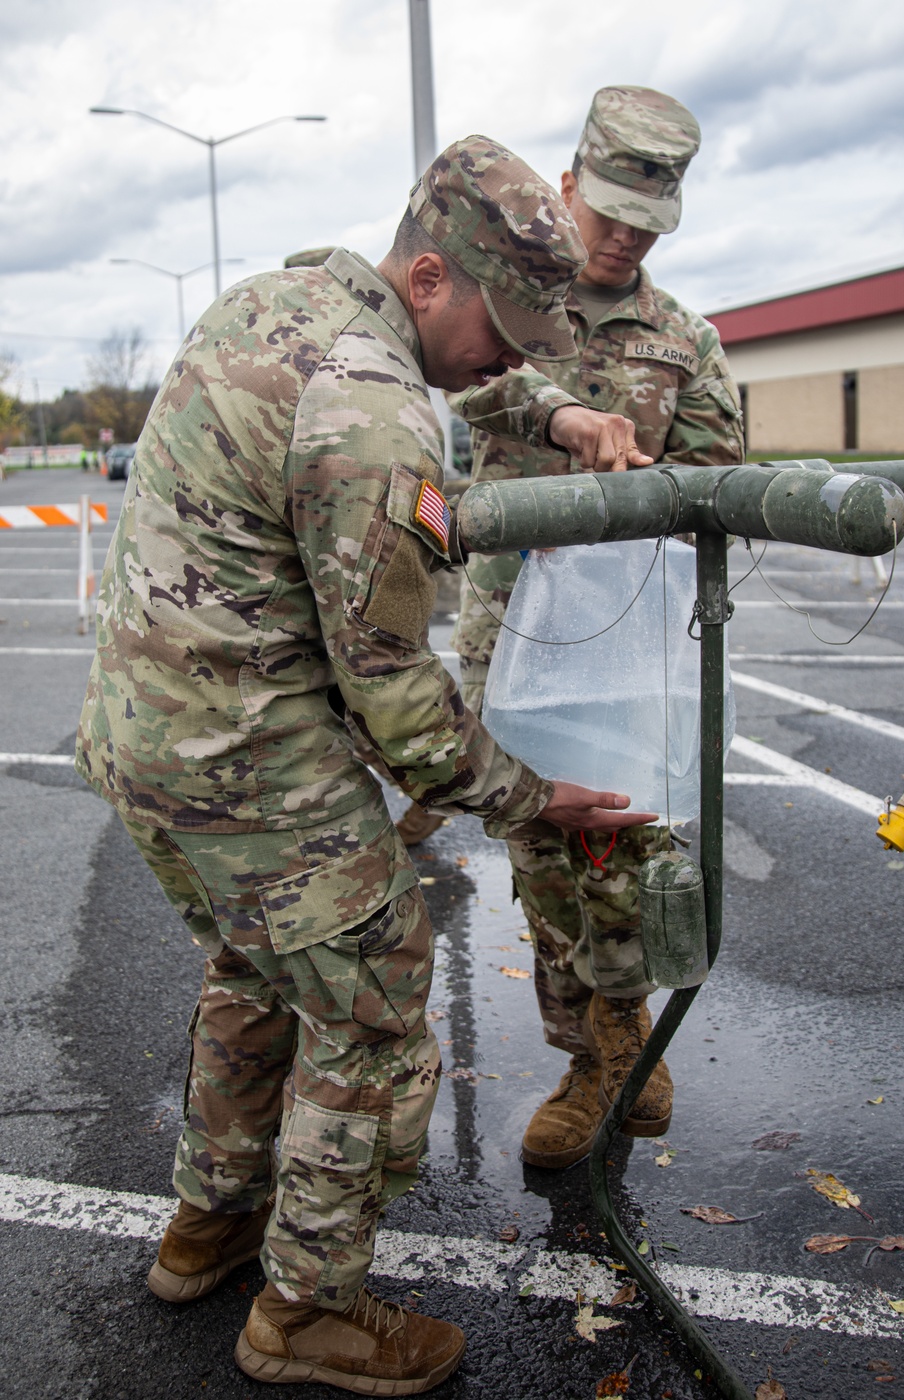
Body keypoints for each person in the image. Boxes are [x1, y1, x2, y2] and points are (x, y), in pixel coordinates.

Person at [75, 134, 656, 1395]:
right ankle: (304, 1310)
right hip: (245, 758)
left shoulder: (279, 300)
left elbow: (469, 391)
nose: (505, 358)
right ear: (432, 274)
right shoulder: (380, 411)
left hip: (145, 733)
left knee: (260, 962)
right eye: (500, 329)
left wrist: (555, 407)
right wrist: (526, 791)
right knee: (379, 988)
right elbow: (394, 689)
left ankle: (207, 1226)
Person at [449, 87, 745, 1170]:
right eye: (606, 210)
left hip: (623, 630)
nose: (619, 237)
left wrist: (642, 495)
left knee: (621, 831)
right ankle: (584, 1055)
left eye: (644, 223)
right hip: (509, 629)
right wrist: (562, 417)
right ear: (567, 185)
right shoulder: (506, 302)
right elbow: (474, 389)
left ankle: (624, 1033)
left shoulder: (685, 341)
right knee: (536, 842)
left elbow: (719, 475)